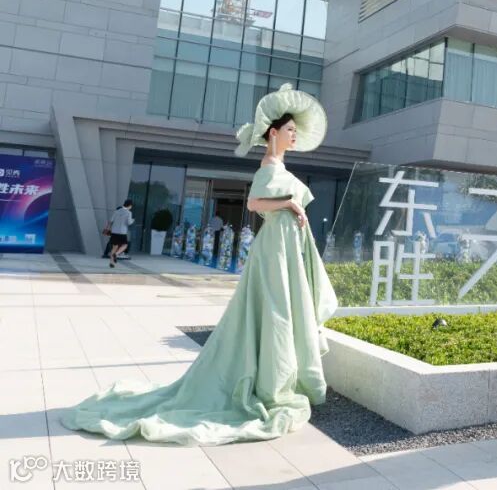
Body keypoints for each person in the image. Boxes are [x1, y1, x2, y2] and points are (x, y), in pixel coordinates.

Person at [61, 83, 338, 445]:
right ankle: (271, 381)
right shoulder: (268, 165)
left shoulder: (280, 165)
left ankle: (279, 375)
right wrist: (289, 204)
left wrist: (293, 211)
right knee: (275, 309)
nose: (294, 135)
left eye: (295, 131)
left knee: (283, 307)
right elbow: (254, 204)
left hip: (287, 244)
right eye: (289, 130)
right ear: (273, 133)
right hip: (274, 247)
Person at [106, 200, 135, 268]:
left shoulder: (116, 211)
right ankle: (116, 254)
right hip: (122, 232)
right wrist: (133, 220)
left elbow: (111, 221)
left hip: (114, 232)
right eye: (131, 206)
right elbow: (129, 223)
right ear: (130, 205)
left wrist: (108, 229)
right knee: (125, 245)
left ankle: (111, 263)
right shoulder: (129, 213)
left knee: (114, 247)